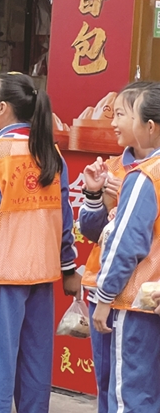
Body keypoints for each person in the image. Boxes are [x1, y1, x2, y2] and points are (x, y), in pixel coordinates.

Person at [0, 73, 80, 413]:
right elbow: (65, 218)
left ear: (1, 108)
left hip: (3, 275)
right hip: (43, 274)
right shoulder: (50, 153)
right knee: (35, 363)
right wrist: (68, 267)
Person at [78, 81, 152, 413]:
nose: (114, 122)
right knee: (112, 384)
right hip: (112, 289)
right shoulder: (112, 167)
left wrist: (129, 196)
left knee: (130, 392)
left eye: (121, 114)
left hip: (134, 297)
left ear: (147, 123)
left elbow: (129, 240)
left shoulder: (144, 176)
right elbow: (95, 232)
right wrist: (94, 196)